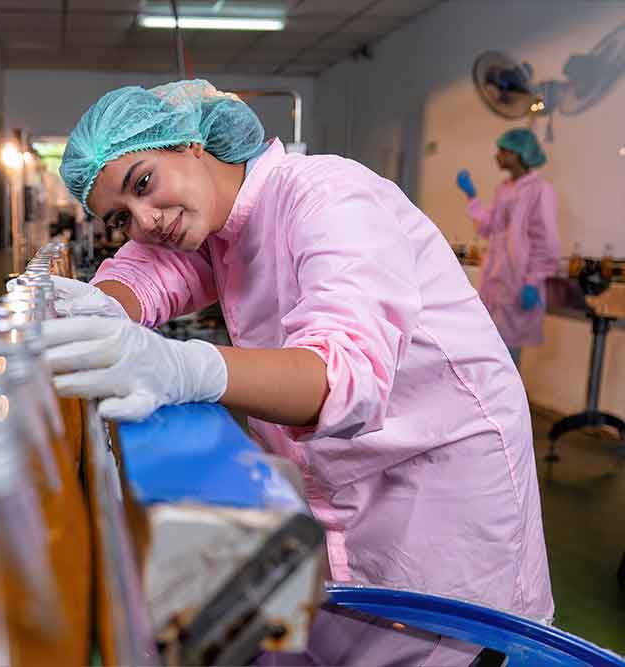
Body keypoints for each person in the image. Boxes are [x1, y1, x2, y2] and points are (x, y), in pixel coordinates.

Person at [34, 81, 553, 647]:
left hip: (438, 481)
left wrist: (185, 368)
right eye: (120, 217)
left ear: (189, 145)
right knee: (348, 634)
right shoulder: (220, 226)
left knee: (441, 645)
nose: (144, 219)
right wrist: (102, 304)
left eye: (142, 184)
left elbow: (342, 377)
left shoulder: (327, 196)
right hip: (343, 482)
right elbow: (148, 269)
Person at [456, 128, 561, 368]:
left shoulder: (540, 191)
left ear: (520, 154)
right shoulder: (504, 189)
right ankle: (492, 404)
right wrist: (471, 197)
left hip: (518, 281)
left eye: (503, 151)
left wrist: (534, 280)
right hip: (496, 277)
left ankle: (508, 404)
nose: (498, 156)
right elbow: (488, 227)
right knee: (490, 347)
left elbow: (547, 240)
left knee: (508, 356)